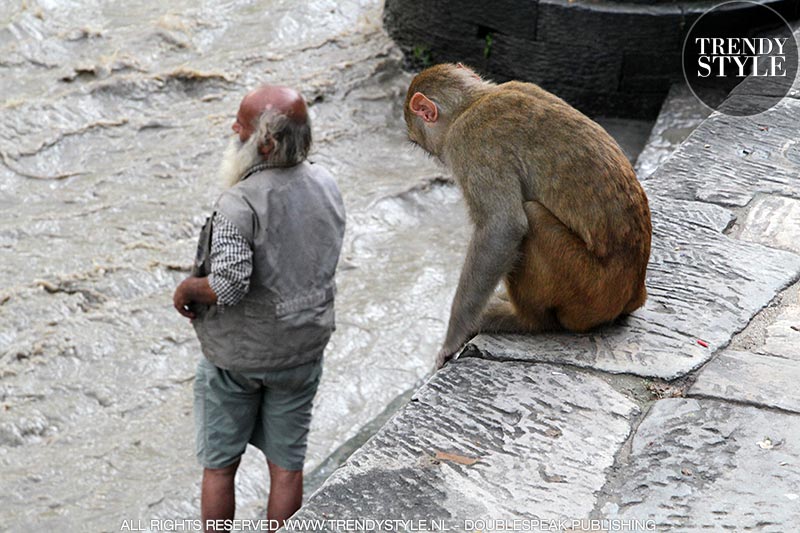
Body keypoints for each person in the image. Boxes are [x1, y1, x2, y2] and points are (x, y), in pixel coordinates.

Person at [172, 85, 345, 532]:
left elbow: (228, 285)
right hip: (303, 350)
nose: (233, 129)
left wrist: (188, 289)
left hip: (238, 360)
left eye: (241, 126)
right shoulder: (327, 184)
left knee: (219, 467)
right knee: (287, 468)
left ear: (264, 144)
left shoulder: (239, 202)